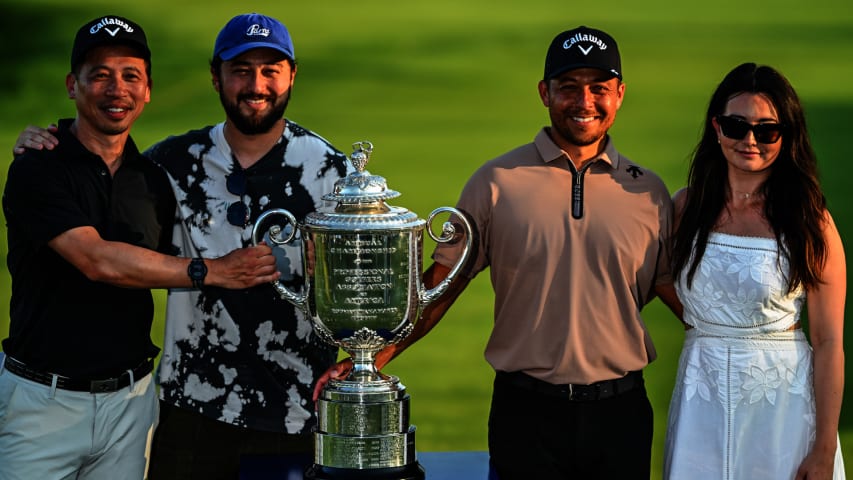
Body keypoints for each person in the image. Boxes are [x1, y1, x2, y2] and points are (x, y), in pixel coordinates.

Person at [316, 25, 677, 479]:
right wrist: (370, 360)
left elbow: (670, 288)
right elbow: (443, 283)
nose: (584, 102)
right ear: (545, 93)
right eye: (568, 88)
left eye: (598, 89)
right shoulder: (495, 182)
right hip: (526, 413)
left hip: (620, 414)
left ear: (619, 94)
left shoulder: (647, 191)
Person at [0, 15, 277, 480]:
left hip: (130, 406)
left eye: (131, 76)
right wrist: (212, 271)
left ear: (147, 91)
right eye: (100, 75)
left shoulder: (152, 178)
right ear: (73, 85)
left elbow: (186, 246)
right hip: (42, 406)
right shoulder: (39, 168)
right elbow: (96, 260)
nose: (117, 90)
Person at [664, 62, 846, 479]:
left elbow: (829, 340)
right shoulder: (685, 207)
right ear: (716, 127)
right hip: (699, 398)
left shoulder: (809, 221)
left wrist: (823, 447)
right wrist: (709, 327)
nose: (750, 140)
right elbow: (652, 277)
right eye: (736, 126)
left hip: (782, 407)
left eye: (767, 131)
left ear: (787, 135)